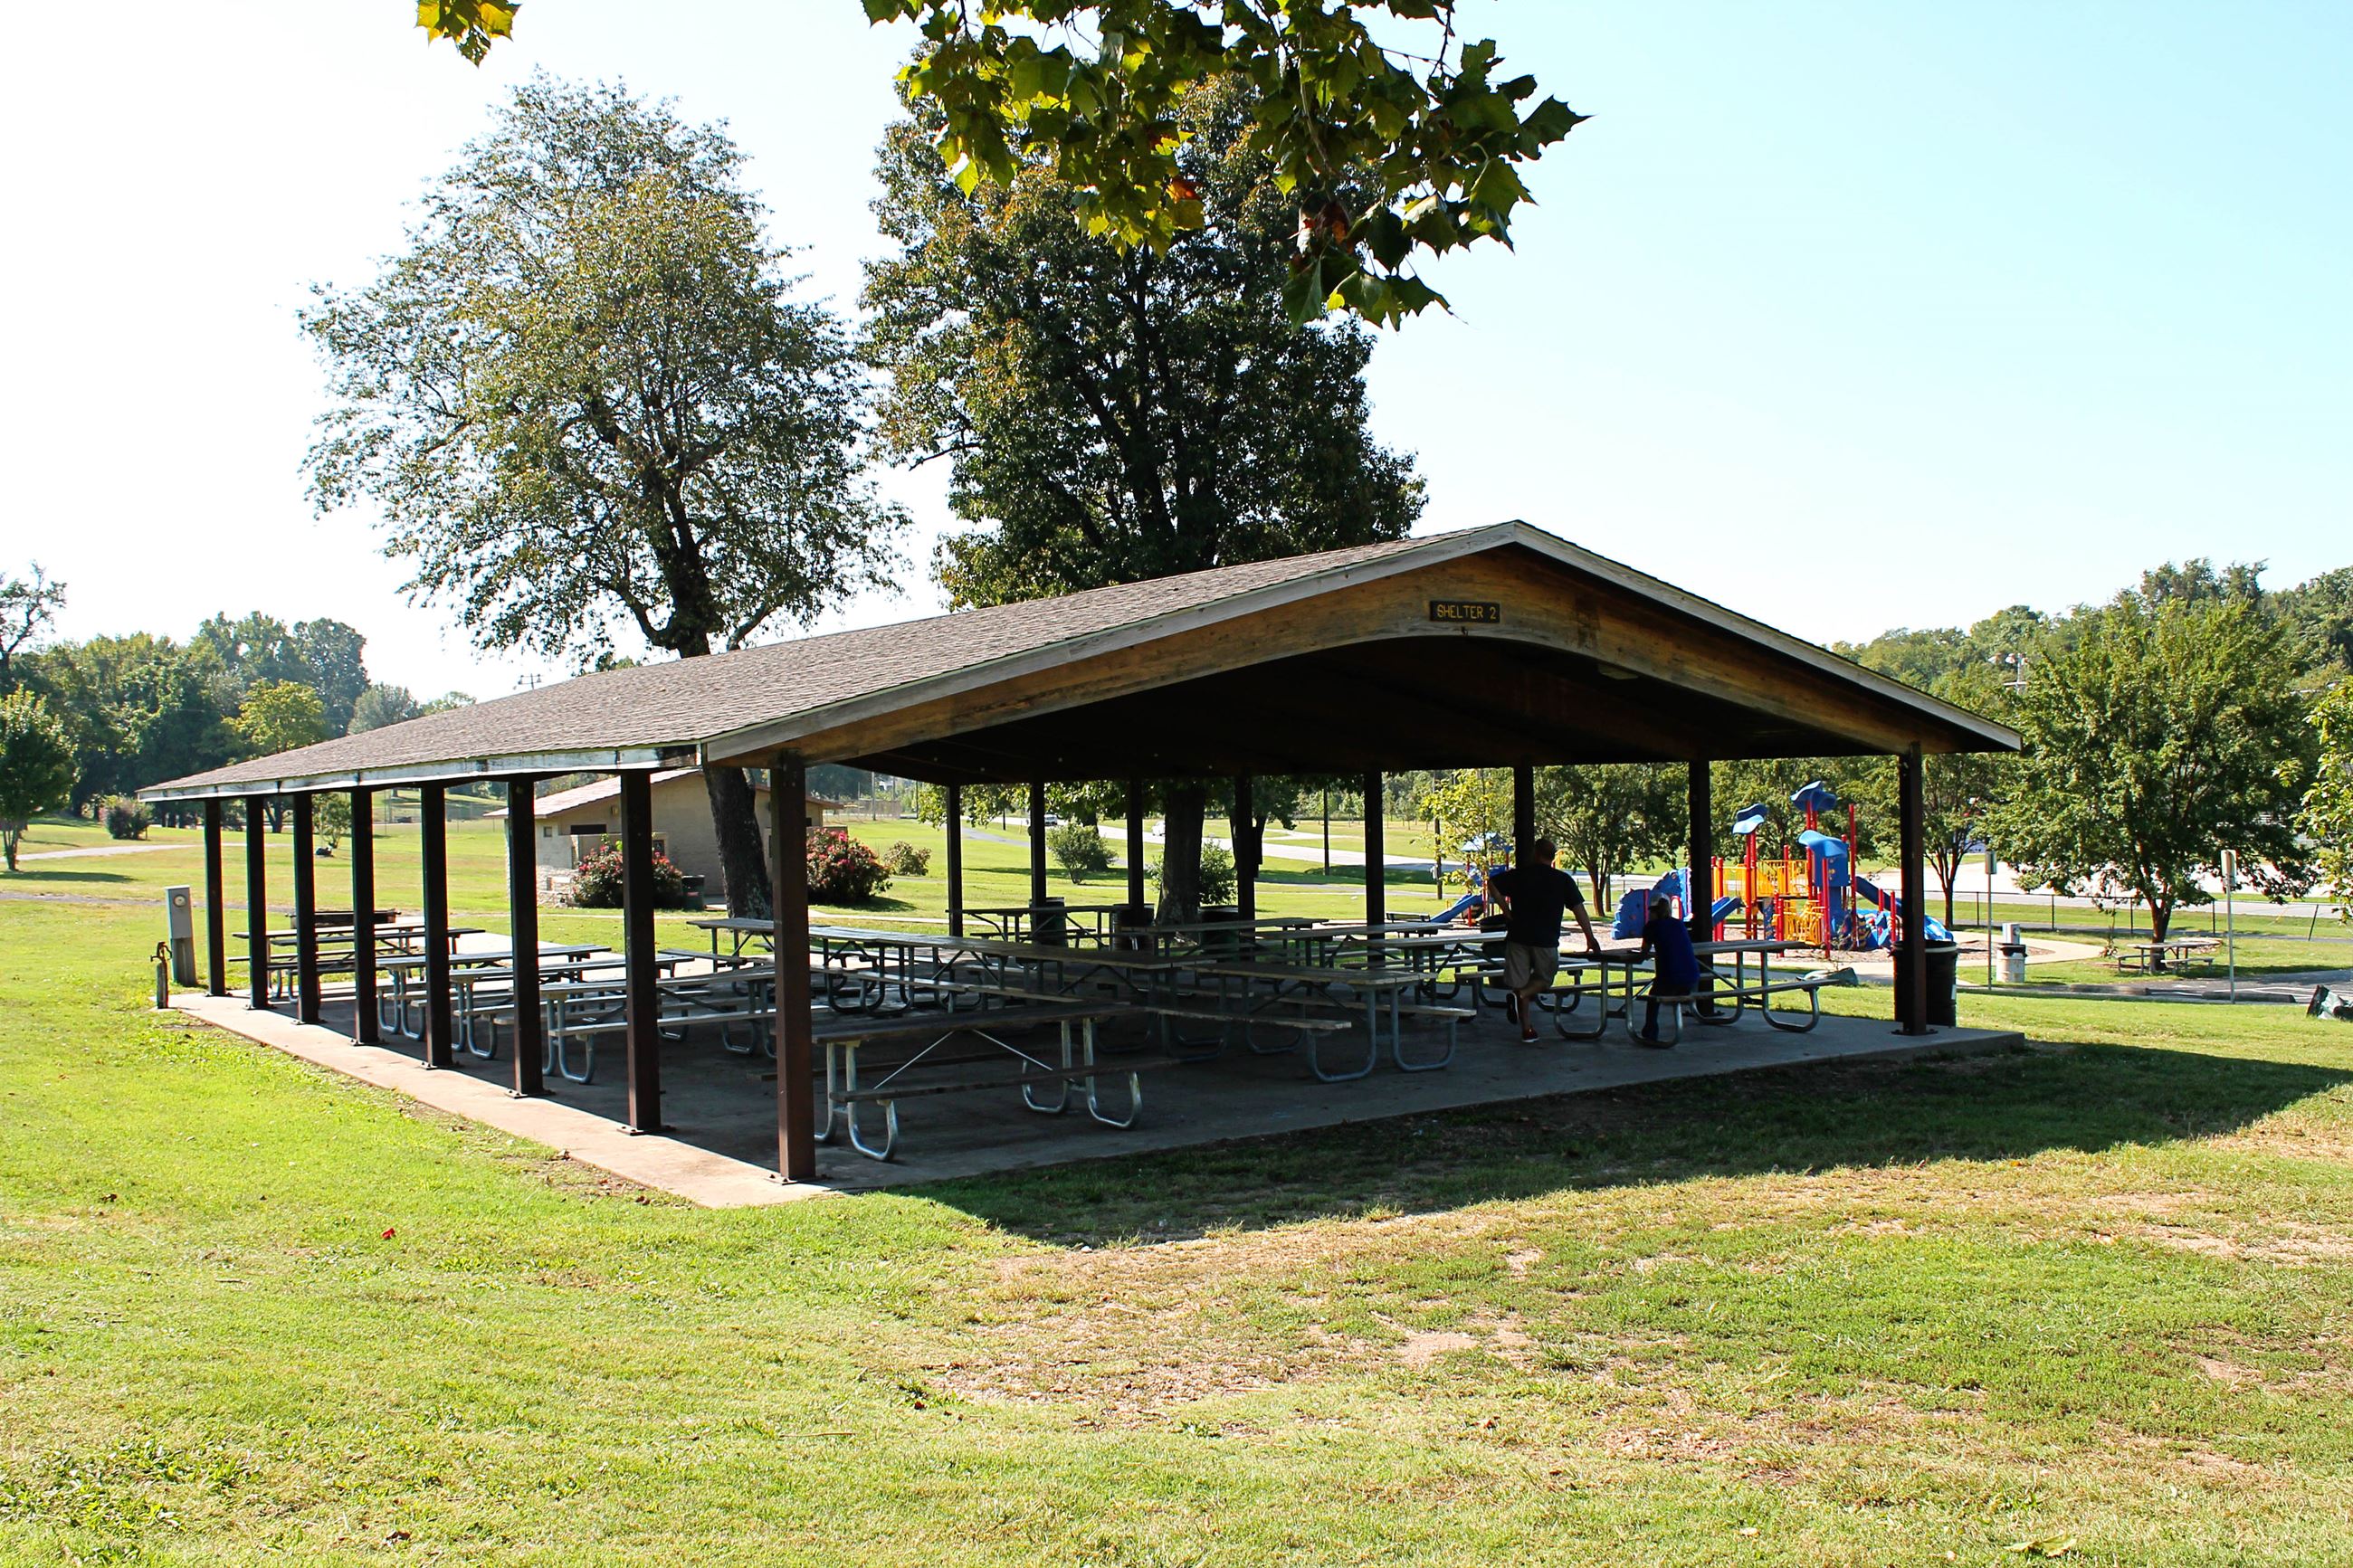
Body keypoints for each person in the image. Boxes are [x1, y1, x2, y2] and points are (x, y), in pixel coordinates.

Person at [1485, 838, 1601, 1043]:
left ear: (1535, 853)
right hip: (1545, 940)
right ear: (1553, 856)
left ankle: (1527, 1028)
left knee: (1519, 983)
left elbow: (1492, 884)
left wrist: (1506, 910)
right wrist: (1589, 937)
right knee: (1544, 979)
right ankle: (1522, 1001)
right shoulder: (1562, 880)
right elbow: (1579, 910)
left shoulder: (1520, 875)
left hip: (1518, 936)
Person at [1632, 891, 1704, 1047]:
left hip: (1670, 979)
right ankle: (1651, 1031)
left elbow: (1643, 954)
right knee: (1663, 988)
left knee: (1653, 997)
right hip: (1692, 979)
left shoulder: (1651, 927)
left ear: (1653, 910)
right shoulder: (1678, 924)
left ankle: (1650, 1032)